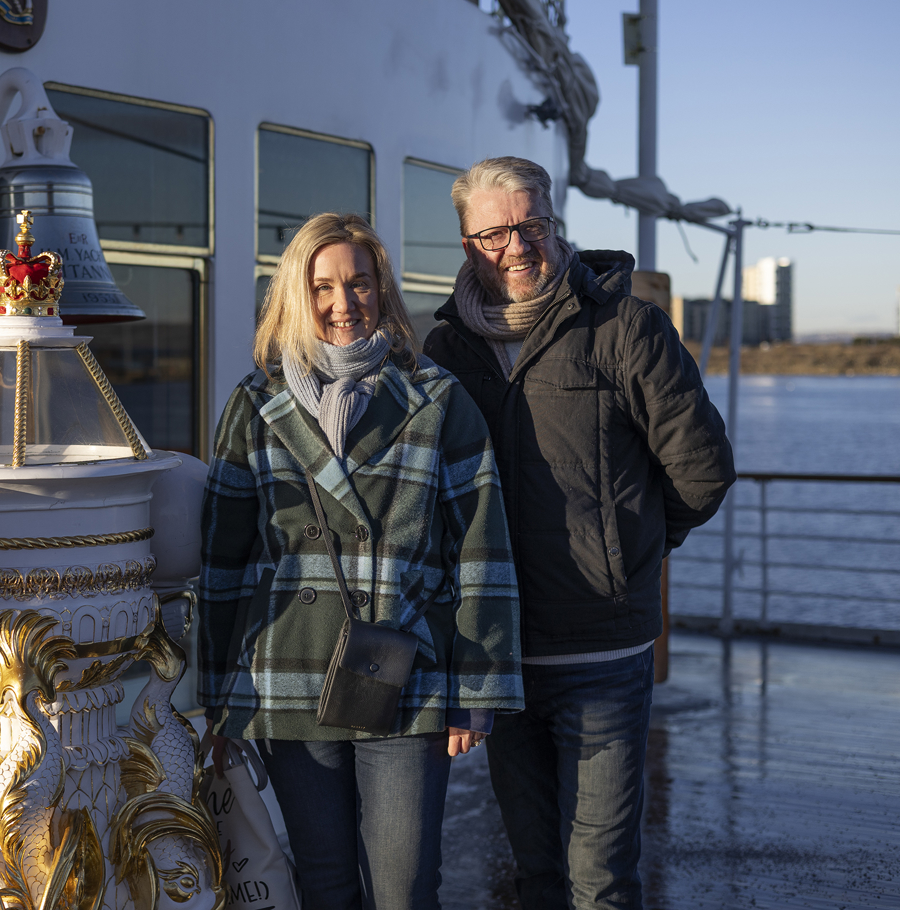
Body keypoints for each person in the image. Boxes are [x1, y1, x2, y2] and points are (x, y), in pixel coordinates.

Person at [422, 157, 736, 910]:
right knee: (536, 874)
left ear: (554, 223)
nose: (518, 246)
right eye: (495, 234)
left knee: (601, 881)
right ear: (468, 244)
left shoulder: (626, 329)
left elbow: (703, 470)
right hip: (500, 654)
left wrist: (625, 555)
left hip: (603, 654)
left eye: (531, 224)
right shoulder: (445, 354)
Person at [198, 212, 524, 910]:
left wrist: (476, 691)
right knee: (326, 884)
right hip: (289, 674)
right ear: (297, 294)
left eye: (359, 283)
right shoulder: (256, 403)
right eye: (322, 286)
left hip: (405, 668)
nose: (343, 303)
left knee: (405, 888)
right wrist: (219, 699)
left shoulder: (438, 398)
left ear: (382, 290)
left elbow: (481, 549)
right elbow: (223, 562)